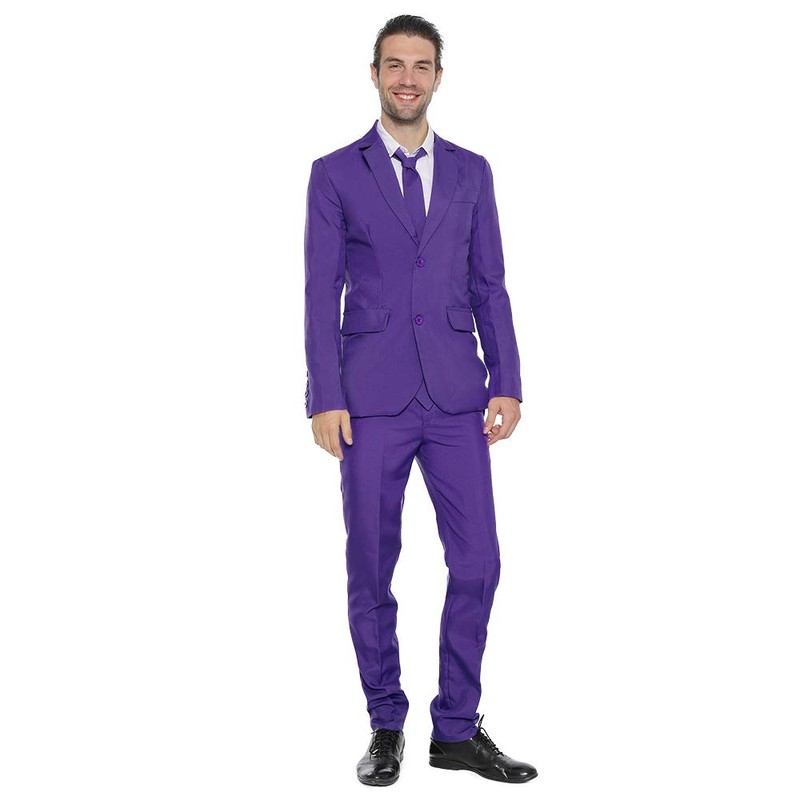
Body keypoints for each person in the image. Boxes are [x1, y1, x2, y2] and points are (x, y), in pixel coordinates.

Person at [303, 14, 537, 787]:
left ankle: (456, 730)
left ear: (439, 76)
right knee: (372, 565)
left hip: (457, 396)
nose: (408, 78)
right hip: (368, 399)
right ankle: (385, 723)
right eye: (395, 65)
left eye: (422, 66)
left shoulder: (472, 172)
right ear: (373, 73)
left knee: (479, 562)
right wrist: (324, 394)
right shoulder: (335, 173)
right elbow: (319, 292)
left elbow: (490, 283)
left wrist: (507, 379)